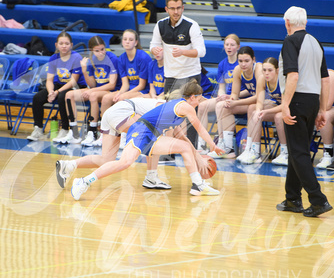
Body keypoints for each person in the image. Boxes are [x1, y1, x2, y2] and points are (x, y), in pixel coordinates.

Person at [70, 80, 224, 200]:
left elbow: (182, 138)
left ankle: (198, 185)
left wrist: (198, 157)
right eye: (199, 99)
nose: (199, 102)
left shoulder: (176, 108)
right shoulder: (185, 107)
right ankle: (83, 181)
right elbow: (200, 128)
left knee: (183, 146)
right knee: (124, 163)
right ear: (192, 97)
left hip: (151, 134)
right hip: (142, 130)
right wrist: (213, 145)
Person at [276, 6, 333, 218]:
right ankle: (292, 198)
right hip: (311, 101)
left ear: (287, 23)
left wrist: (284, 105)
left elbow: (292, 76)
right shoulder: (316, 42)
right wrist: (322, 109)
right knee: (297, 149)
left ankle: (318, 200)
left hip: (296, 99)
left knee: (299, 152)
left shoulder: (290, 41)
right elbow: (325, 79)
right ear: (305, 22)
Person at [55, 97, 172, 190]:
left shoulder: (164, 106)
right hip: (121, 113)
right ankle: (151, 177)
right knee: (153, 138)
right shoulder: (165, 107)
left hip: (111, 113)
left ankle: (68, 165)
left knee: (106, 159)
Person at [150, 0, 206, 145]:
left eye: (179, 8)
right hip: (171, 76)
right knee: (168, 115)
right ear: (166, 9)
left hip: (191, 75)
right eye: (172, 8)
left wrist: (183, 52)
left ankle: (193, 148)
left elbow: (201, 51)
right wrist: (155, 50)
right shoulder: (160, 25)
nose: (176, 12)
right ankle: (169, 151)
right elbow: (153, 45)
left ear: (183, 8)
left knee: (191, 115)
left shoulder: (191, 25)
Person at [27, 31, 86, 141]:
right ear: (56, 45)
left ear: (71, 45)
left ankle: (64, 129)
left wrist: (57, 92)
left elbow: (73, 81)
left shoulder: (76, 57)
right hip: (59, 85)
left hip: (76, 86)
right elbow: (49, 80)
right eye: (61, 43)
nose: (64, 46)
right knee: (38, 98)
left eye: (67, 44)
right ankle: (38, 129)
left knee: (62, 96)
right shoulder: (54, 58)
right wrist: (50, 92)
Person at [62, 36, 119, 145]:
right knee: (69, 95)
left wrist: (92, 90)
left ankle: (92, 131)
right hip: (96, 89)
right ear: (92, 50)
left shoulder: (112, 59)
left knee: (92, 96)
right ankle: (74, 132)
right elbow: (92, 84)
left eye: (102, 49)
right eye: (97, 51)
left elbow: (112, 85)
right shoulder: (92, 60)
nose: (101, 53)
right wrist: (84, 70)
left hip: (111, 91)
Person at [208, 46, 262, 159]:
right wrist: (231, 100)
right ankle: (227, 147)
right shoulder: (238, 70)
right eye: (240, 61)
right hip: (249, 103)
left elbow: (258, 97)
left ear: (253, 60)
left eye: (247, 61)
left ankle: (252, 149)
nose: (243, 64)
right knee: (222, 106)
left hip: (263, 102)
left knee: (252, 107)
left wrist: (236, 103)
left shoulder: (259, 69)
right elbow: (235, 94)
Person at [196, 34, 240, 154]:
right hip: (226, 97)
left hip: (238, 98)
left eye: (232, 45)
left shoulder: (241, 63)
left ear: (238, 47)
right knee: (202, 106)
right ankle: (202, 144)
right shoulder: (222, 64)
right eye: (227, 45)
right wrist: (221, 95)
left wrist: (229, 97)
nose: (229, 47)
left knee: (220, 106)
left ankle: (221, 141)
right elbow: (222, 87)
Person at [237, 57, 285, 165]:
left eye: (270, 70)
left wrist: (266, 112)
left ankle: (285, 153)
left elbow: (285, 105)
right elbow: (259, 101)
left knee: (278, 117)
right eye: (264, 70)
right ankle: (254, 150)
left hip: (290, 109)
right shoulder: (262, 79)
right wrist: (259, 111)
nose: (266, 73)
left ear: (277, 70)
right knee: (254, 111)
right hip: (277, 107)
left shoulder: (282, 80)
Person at [100, 29, 151, 113]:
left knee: (122, 98)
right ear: (122, 42)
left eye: (131, 40)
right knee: (106, 98)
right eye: (125, 39)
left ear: (135, 43)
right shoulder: (121, 59)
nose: (127, 42)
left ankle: (120, 124)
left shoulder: (143, 57)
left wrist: (124, 95)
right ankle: (104, 125)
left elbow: (141, 85)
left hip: (143, 91)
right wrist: (120, 92)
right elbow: (125, 84)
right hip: (129, 89)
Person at [315, 69, 334, 169]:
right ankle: (294, 151)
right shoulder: (307, 75)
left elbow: (327, 105)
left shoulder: (330, 76)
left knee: (325, 116)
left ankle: (328, 153)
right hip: (318, 106)